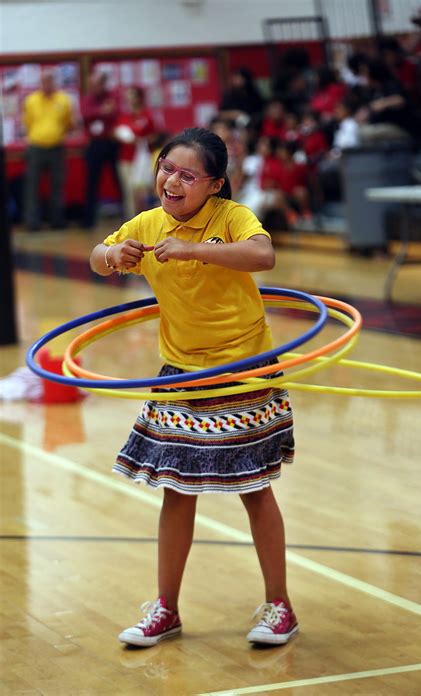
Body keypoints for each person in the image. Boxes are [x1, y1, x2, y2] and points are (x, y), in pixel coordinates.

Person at [89, 127, 298, 648]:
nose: (171, 180)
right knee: (176, 492)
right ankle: (166, 609)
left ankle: (281, 607)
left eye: (188, 175)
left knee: (254, 488)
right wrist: (112, 258)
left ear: (215, 185)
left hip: (242, 366)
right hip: (181, 372)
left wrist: (192, 250)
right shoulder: (147, 222)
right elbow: (98, 252)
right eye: (166, 167)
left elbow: (262, 257)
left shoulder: (231, 218)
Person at [22, 68, 74, 230]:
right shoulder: (31, 100)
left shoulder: (64, 100)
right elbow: (28, 122)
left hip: (57, 148)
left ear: (55, 82)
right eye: (44, 81)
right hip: (35, 147)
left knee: (57, 186)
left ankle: (57, 221)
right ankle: (32, 222)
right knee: (32, 186)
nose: (47, 84)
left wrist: (56, 135)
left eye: (50, 81)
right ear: (40, 83)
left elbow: (67, 123)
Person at [81, 71, 122, 228]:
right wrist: (102, 111)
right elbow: (85, 113)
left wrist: (101, 113)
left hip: (112, 142)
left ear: (103, 84)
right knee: (91, 182)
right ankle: (88, 221)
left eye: (97, 84)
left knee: (118, 180)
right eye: (92, 85)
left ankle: (126, 216)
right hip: (95, 144)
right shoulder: (88, 98)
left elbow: (116, 112)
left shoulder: (112, 96)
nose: (94, 87)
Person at [114, 86, 155, 219]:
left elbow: (155, 135)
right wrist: (122, 136)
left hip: (142, 159)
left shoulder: (147, 115)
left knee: (142, 190)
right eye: (128, 96)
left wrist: (141, 140)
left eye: (132, 95)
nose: (129, 99)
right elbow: (116, 132)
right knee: (129, 190)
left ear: (139, 97)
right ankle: (131, 220)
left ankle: (145, 219)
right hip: (126, 158)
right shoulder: (124, 116)